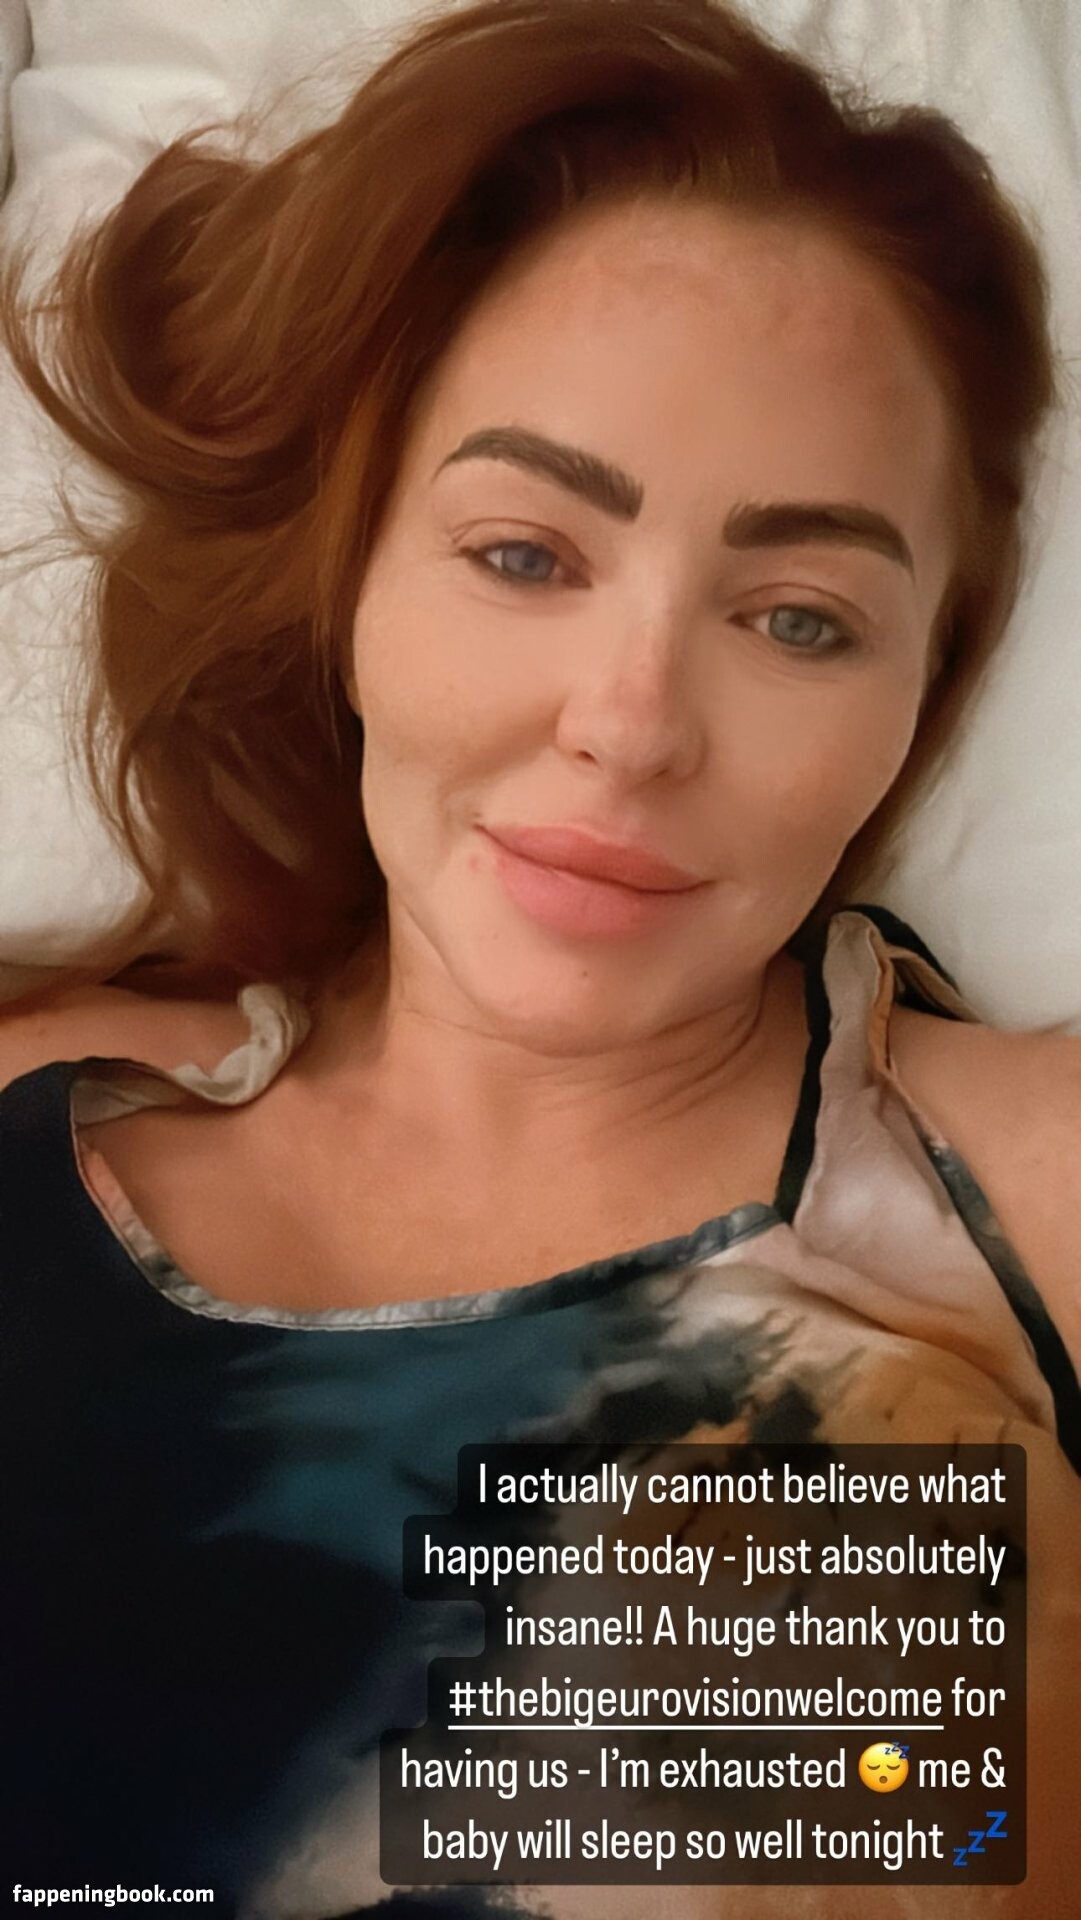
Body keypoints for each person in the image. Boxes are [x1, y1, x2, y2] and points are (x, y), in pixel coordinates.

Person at [0, 0, 1077, 1912]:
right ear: (350, 584)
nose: (630, 724)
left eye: (799, 619)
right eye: (522, 555)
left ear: (924, 688)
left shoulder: (1033, 1195)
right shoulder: (29, 1124)